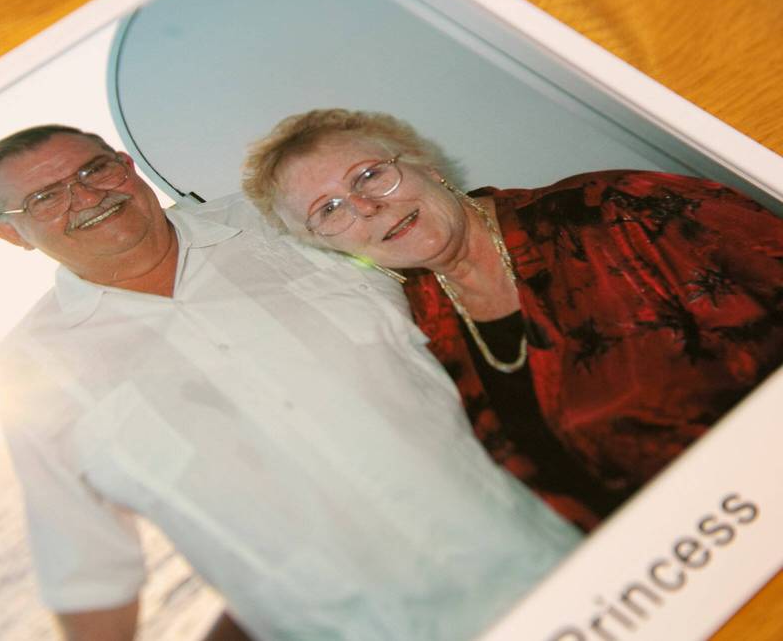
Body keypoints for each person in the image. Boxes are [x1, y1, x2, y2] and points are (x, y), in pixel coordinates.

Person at [0, 125, 581, 641]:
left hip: (548, 565)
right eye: (46, 198)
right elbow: (90, 568)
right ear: (10, 234)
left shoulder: (281, 218)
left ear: (127, 166)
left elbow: (470, 257)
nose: (86, 197)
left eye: (96, 170)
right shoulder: (35, 369)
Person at [242, 108, 783, 532]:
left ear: (425, 166)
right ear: (327, 246)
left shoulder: (615, 209)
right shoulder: (415, 337)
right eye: (329, 211)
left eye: (369, 176)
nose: (364, 208)